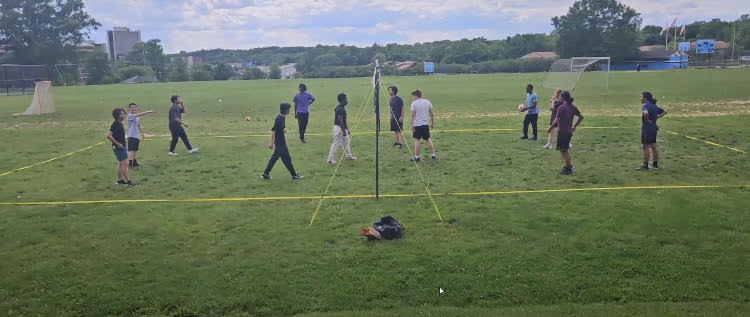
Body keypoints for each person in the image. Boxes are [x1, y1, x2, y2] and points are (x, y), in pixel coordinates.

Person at [263, 103, 303, 180]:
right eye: (288, 109)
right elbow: (273, 130)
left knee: (275, 158)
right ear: (285, 110)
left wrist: (283, 130)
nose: (289, 110)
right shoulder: (279, 119)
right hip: (280, 143)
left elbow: (280, 129)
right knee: (287, 159)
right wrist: (271, 142)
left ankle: (266, 173)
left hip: (280, 142)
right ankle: (294, 175)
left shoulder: (282, 117)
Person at [548, 91, 583, 175]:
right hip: (568, 132)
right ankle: (569, 166)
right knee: (563, 150)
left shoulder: (561, 107)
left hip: (563, 131)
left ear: (563, 98)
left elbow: (556, 120)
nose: (559, 98)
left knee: (564, 151)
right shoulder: (572, 107)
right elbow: (581, 117)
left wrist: (550, 128)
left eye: (560, 97)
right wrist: (574, 126)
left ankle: (568, 169)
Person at [637, 92, 667, 171]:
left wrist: (646, 120)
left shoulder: (645, 105)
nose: (640, 98)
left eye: (641, 97)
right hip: (654, 128)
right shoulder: (655, 106)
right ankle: (655, 165)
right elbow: (664, 112)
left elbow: (646, 113)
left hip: (647, 128)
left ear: (646, 98)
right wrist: (657, 117)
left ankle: (645, 166)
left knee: (645, 146)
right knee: (653, 146)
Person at [327, 93, 357, 164]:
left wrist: (347, 130)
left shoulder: (341, 107)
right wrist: (343, 131)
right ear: (342, 100)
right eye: (346, 99)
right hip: (339, 129)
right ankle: (330, 159)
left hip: (342, 128)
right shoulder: (340, 109)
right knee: (336, 144)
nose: (347, 100)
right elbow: (340, 120)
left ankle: (349, 156)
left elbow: (344, 121)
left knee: (346, 143)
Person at [107, 108, 134, 186]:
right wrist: (117, 144)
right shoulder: (116, 124)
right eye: (121, 114)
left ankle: (119, 180)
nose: (123, 115)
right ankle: (128, 182)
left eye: (123, 113)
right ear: (117, 115)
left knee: (120, 164)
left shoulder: (118, 124)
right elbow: (108, 135)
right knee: (125, 164)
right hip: (119, 148)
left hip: (120, 147)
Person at [408, 89, 436, 162]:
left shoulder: (414, 103)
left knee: (417, 140)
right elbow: (431, 114)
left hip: (417, 125)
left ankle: (417, 157)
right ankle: (433, 155)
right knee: (428, 139)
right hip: (425, 124)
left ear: (415, 95)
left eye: (413, 96)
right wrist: (432, 123)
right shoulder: (427, 102)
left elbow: (413, 115)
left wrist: (411, 125)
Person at [125, 102, 154, 167]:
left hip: (136, 135)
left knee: (135, 150)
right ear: (129, 108)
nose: (133, 108)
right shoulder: (130, 115)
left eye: (134, 107)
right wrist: (148, 111)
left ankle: (135, 162)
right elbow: (139, 115)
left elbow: (138, 125)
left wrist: (142, 133)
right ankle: (130, 163)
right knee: (131, 150)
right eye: (131, 107)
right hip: (131, 135)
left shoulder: (136, 116)